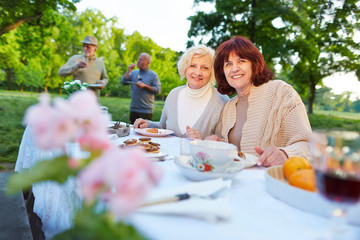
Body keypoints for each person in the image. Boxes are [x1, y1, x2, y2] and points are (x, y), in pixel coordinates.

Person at [191, 36, 312, 167]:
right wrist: (210, 141)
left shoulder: (281, 92)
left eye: (241, 61)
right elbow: (226, 147)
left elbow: (309, 145)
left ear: (254, 64)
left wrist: (285, 154)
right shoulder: (229, 107)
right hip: (235, 181)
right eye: (228, 64)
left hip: (270, 181)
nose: (234, 68)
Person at [133, 45, 229, 138]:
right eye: (192, 66)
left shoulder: (222, 102)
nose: (197, 72)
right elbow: (163, 127)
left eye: (205, 68)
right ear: (185, 68)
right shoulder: (174, 94)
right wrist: (148, 124)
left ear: (212, 72)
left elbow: (224, 144)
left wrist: (202, 141)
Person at [121, 53, 161, 124]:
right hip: (134, 109)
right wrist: (129, 71)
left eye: (141, 60)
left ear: (148, 63)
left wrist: (145, 86)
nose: (138, 61)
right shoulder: (133, 73)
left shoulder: (153, 75)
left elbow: (158, 90)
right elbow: (123, 82)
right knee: (132, 132)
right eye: (138, 59)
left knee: (144, 133)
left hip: (146, 111)